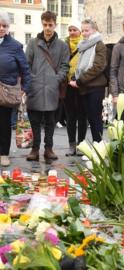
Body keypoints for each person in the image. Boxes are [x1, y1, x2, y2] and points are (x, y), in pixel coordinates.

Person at [25, 11, 69, 161]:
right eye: (45, 25)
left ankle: (48, 148)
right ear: (42, 24)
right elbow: (27, 65)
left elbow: (65, 66)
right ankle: (35, 148)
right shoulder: (33, 43)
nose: (48, 28)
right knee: (35, 120)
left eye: (50, 25)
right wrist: (33, 79)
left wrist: (56, 79)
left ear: (55, 24)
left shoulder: (62, 46)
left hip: (52, 88)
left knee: (51, 120)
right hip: (35, 87)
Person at [0, 10, 31, 166]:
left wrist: (25, 87)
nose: (1, 28)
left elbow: (25, 69)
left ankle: (4, 154)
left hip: (6, 91)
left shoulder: (15, 45)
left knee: (4, 123)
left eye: (4, 25)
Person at [69, 19, 107, 143]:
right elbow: (80, 66)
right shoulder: (83, 45)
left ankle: (99, 148)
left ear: (94, 30)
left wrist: (79, 81)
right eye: (83, 30)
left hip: (95, 88)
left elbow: (98, 67)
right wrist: (75, 77)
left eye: (87, 30)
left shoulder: (99, 44)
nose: (84, 33)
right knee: (89, 119)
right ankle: (91, 148)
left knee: (95, 120)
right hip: (85, 87)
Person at [64, 20, 87, 156]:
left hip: (82, 84)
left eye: (75, 29)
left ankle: (82, 145)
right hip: (67, 85)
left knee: (82, 116)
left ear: (80, 31)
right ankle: (71, 144)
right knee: (70, 116)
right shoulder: (64, 45)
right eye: (70, 30)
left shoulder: (85, 44)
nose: (72, 32)